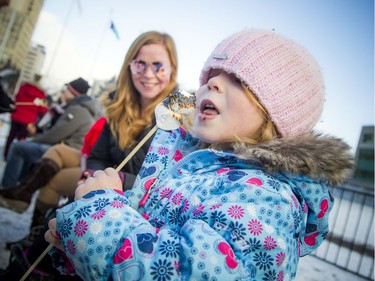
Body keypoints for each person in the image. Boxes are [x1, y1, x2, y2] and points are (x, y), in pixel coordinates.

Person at [45, 29, 354, 280]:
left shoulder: (266, 198)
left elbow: (178, 271)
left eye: (239, 80)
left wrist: (101, 216)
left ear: (277, 115)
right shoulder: (189, 163)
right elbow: (145, 233)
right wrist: (83, 239)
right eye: (211, 75)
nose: (212, 83)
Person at [0, 30, 179, 281]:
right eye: (141, 64)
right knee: (57, 221)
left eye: (158, 65)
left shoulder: (176, 121)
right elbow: (98, 154)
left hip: (132, 211)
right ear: (130, 66)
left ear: (172, 69)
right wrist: (94, 172)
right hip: (99, 189)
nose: (148, 74)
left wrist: (112, 182)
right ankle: (30, 257)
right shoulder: (118, 108)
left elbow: (160, 179)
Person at [0, 77, 98, 189]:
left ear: (74, 93)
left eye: (66, 90)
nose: (64, 92)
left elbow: (56, 134)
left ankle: (7, 188)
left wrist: (34, 139)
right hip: (63, 148)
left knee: (18, 147)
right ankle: (18, 186)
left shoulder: (78, 110)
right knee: (26, 147)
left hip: (64, 151)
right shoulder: (77, 108)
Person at [3, 73, 47, 159]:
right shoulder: (41, 94)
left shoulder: (23, 87)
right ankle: (15, 158)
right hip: (28, 121)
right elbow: (42, 110)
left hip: (17, 116)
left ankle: (6, 155)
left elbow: (17, 98)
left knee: (11, 137)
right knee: (22, 139)